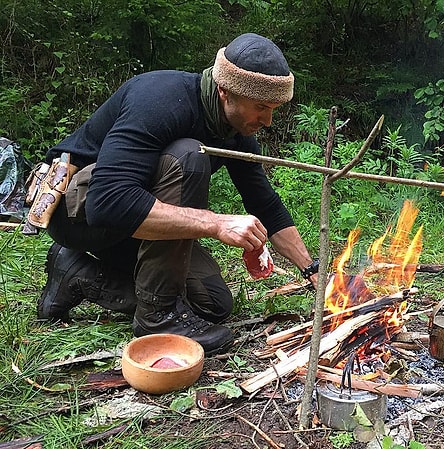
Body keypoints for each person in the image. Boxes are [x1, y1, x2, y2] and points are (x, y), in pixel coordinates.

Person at [37, 33, 320, 355]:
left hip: (135, 222)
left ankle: (76, 272)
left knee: (212, 303)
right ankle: (158, 318)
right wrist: (214, 223)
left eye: (274, 109)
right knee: (189, 155)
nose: (267, 121)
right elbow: (108, 203)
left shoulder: (234, 130)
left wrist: (313, 272)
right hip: (78, 214)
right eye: (261, 107)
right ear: (224, 91)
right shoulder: (161, 98)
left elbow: (265, 206)